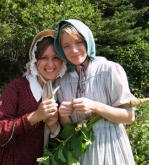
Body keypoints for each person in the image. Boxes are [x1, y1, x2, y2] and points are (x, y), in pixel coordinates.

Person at [54, 19, 136, 165]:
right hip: (82, 154)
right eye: (66, 46)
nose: (74, 50)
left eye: (78, 42)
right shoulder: (63, 82)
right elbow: (68, 129)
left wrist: (95, 106)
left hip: (111, 148)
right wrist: (63, 115)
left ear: (87, 41)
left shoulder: (109, 70)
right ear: (61, 50)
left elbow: (129, 117)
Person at [0, 29, 66, 165]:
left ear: (62, 61)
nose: (50, 64)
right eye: (44, 58)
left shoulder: (62, 92)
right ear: (35, 61)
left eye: (56, 58)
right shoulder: (18, 87)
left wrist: (54, 127)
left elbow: (63, 144)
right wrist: (35, 116)